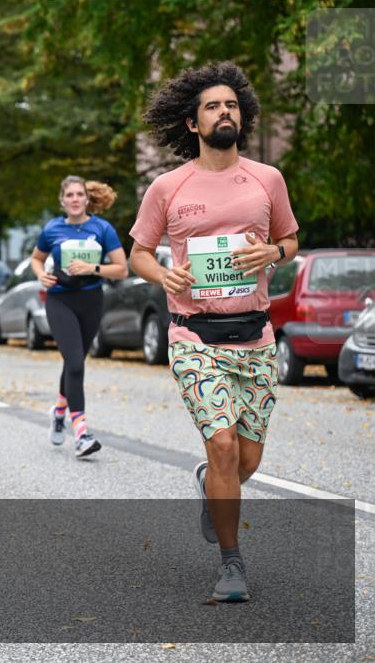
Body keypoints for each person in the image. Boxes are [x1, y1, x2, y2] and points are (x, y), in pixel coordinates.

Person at [129, 61, 299, 603]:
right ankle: (232, 565)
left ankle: (211, 484)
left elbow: (289, 241)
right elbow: (138, 253)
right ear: (192, 123)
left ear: (242, 117)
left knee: (246, 461)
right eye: (212, 106)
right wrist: (164, 274)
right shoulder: (168, 186)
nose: (225, 112)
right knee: (223, 445)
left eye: (231, 105)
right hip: (195, 337)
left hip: (257, 338)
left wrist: (273, 253)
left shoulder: (268, 179)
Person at [31, 177, 128, 458]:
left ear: (87, 199)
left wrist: (92, 268)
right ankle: (82, 433)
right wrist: (41, 275)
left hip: (91, 300)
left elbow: (122, 269)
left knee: (75, 363)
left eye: (79, 194)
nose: (74, 199)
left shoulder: (102, 228)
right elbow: (36, 258)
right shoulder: (52, 229)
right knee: (74, 363)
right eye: (69, 195)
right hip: (60, 300)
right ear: (62, 200)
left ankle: (59, 411)